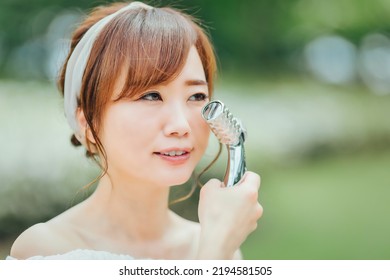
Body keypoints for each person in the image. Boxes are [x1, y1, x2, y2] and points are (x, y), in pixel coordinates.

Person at [8, 1, 262, 260]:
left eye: (196, 96)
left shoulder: (216, 241)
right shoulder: (46, 250)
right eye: (151, 96)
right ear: (87, 122)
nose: (181, 125)